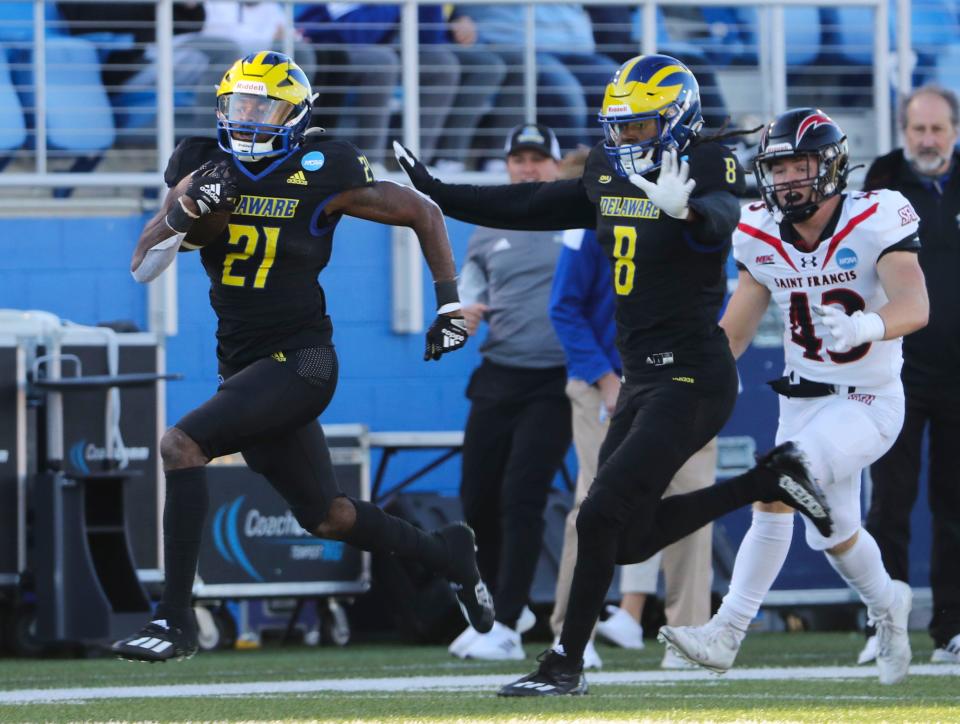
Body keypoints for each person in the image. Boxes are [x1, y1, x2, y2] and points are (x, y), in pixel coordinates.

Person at [394, 53, 835, 696]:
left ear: (677, 119)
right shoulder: (606, 170)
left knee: (597, 516)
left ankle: (563, 664)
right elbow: (536, 202)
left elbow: (721, 215)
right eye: (620, 127)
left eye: (640, 127)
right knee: (624, 539)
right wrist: (440, 192)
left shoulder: (706, 162)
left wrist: (686, 211)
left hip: (693, 375)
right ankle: (770, 480)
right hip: (642, 378)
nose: (625, 139)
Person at [112, 51, 494, 662]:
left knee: (181, 444)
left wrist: (449, 303)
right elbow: (143, 268)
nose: (250, 116)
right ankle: (448, 552)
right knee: (329, 517)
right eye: (241, 103)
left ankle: (174, 620)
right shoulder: (199, 163)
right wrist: (184, 211)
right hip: (243, 369)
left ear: (295, 114)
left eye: (265, 105)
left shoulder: (325, 165)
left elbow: (423, 211)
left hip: (304, 361)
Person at [658, 108, 929, 686]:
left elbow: (915, 304)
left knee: (779, 481)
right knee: (831, 533)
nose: (787, 180)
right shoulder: (757, 231)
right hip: (802, 402)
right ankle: (889, 606)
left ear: (830, 166)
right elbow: (731, 334)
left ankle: (727, 631)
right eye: (777, 168)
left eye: (799, 166)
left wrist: (867, 327)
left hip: (868, 399)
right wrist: (677, 389)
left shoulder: (875, 217)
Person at [547, 149, 715, 671]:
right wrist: (606, 377)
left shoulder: (694, 206)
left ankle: (689, 635)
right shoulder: (592, 214)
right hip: (606, 383)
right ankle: (570, 635)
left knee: (692, 502)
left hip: (681, 377)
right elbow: (565, 306)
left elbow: (718, 296)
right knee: (591, 507)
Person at [443, 123, 572, 661]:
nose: (528, 167)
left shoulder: (577, 218)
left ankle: (510, 623)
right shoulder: (488, 223)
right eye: (519, 159)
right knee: (477, 495)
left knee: (523, 496)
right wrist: (460, 313)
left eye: (538, 158)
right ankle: (497, 608)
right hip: (498, 372)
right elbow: (471, 284)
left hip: (557, 377)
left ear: (557, 166)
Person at [857, 85, 960, 666]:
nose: (926, 140)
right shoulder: (882, 180)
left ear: (954, 131)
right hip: (894, 368)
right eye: (917, 129)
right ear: (903, 130)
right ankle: (884, 624)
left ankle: (951, 626)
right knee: (889, 503)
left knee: (956, 505)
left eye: (937, 130)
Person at [296, 4, 507, 166]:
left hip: (400, 44)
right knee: (385, 62)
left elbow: (429, 35)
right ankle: (371, 161)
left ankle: (427, 160)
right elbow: (356, 33)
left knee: (472, 65)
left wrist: (458, 18)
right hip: (345, 44)